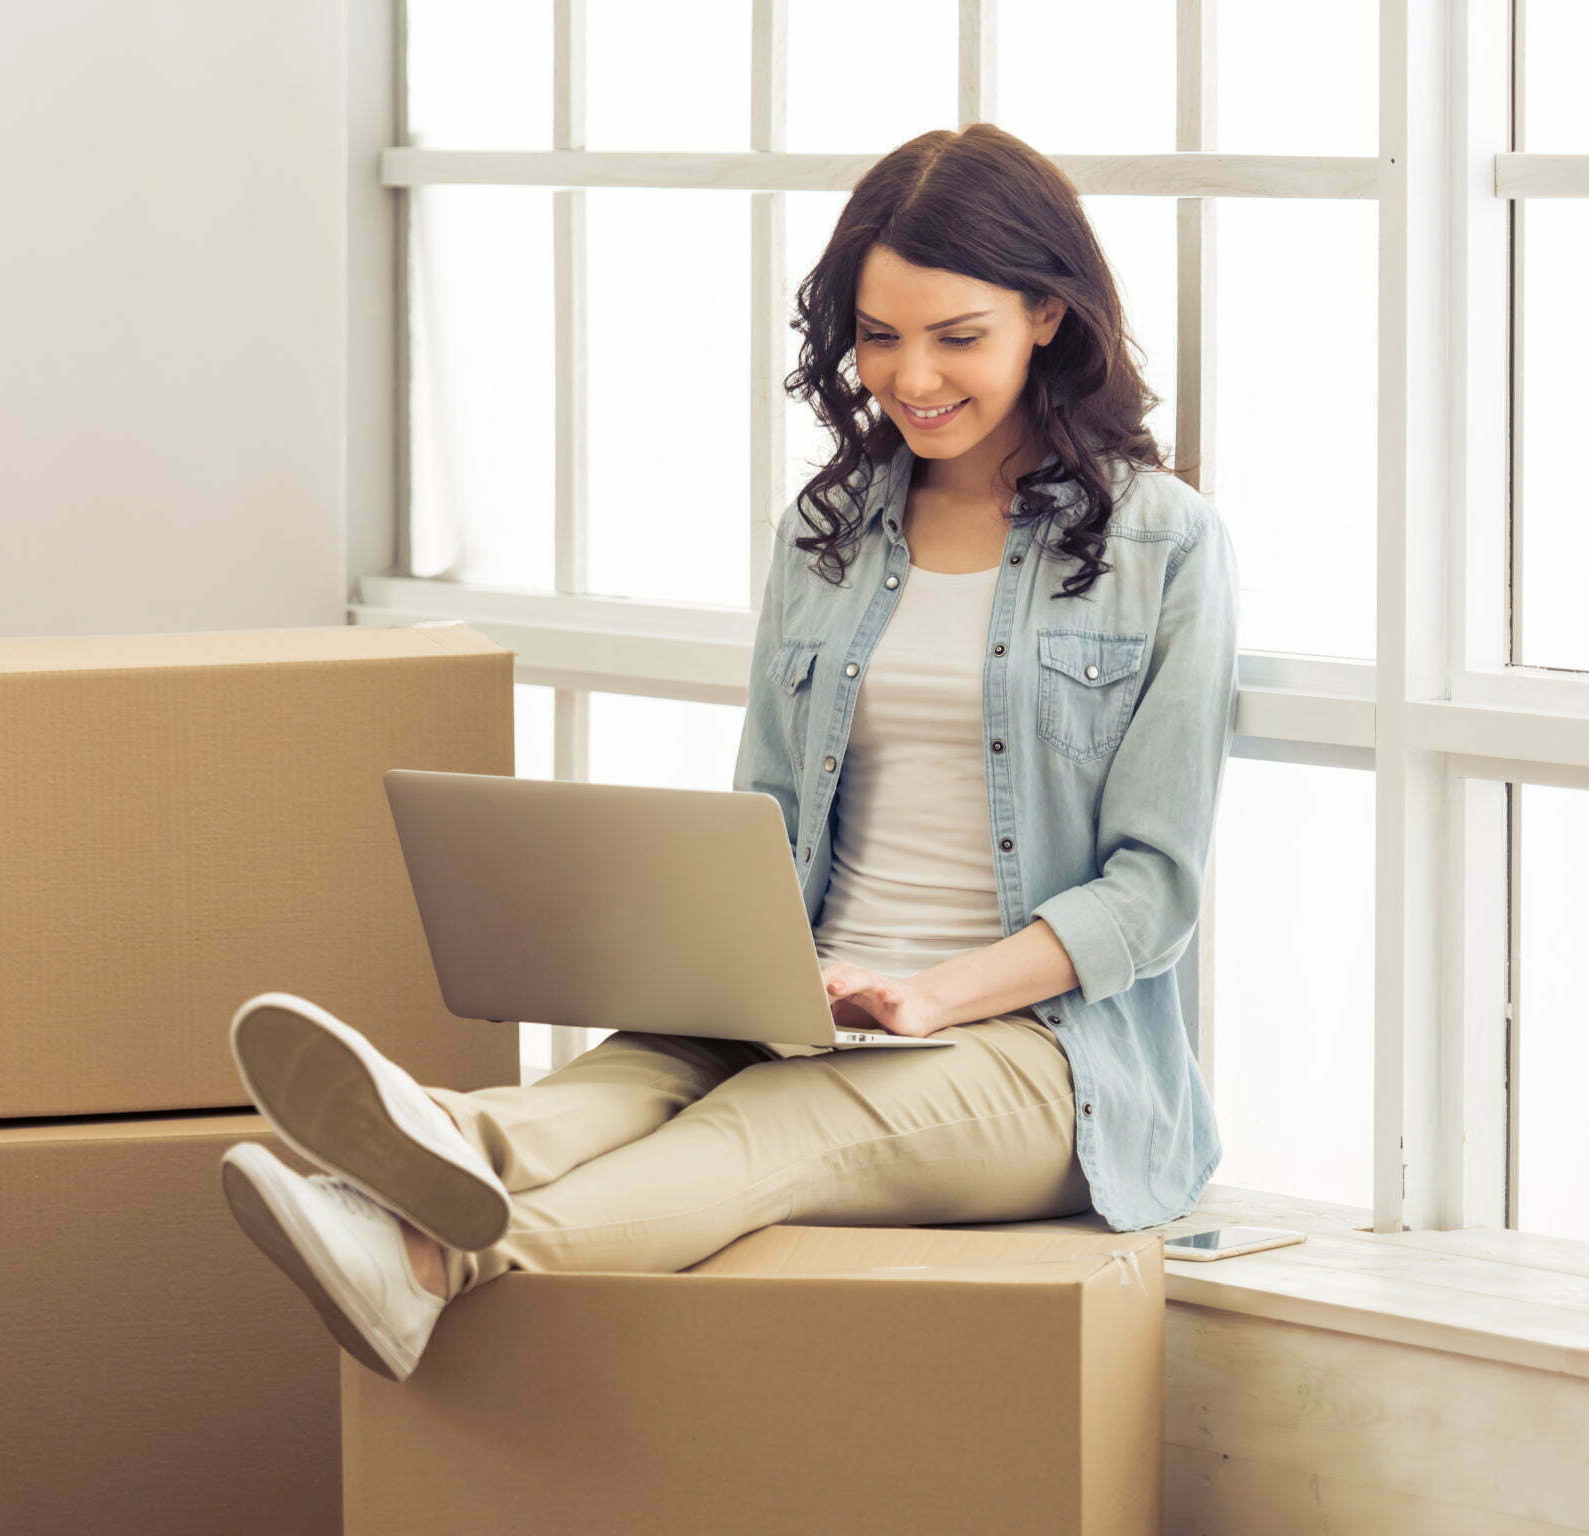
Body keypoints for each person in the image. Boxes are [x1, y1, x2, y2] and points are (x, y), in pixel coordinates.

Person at [217, 123, 1240, 1383]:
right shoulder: (830, 530)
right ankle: (434, 1138)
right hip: (806, 995)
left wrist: (929, 992)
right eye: (876, 335)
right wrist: (732, 961)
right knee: (630, 1074)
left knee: (771, 1121)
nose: (908, 376)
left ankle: (429, 1264)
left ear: (1048, 314)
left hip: (1042, 1057)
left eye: (954, 336)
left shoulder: (1164, 542)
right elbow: (765, 805)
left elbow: (1155, 891)